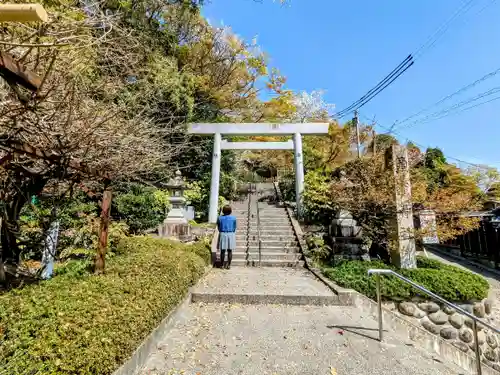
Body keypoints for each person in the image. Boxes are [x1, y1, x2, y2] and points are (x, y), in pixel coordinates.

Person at [217, 205, 236, 269]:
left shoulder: (219, 218)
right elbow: (234, 227)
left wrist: (221, 230)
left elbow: (218, 227)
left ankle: (222, 265)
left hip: (223, 233)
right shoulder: (233, 218)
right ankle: (229, 265)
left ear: (223, 211)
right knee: (230, 251)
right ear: (230, 211)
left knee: (222, 251)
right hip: (231, 234)